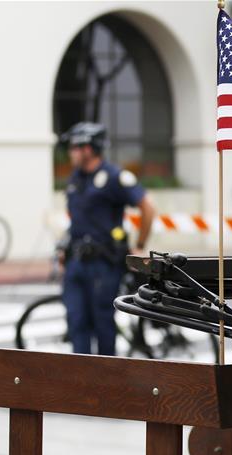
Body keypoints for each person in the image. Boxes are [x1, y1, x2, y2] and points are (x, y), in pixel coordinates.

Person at [61, 122, 156, 355]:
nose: (70, 152)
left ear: (88, 149)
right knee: (76, 321)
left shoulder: (114, 176)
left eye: (74, 146)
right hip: (76, 261)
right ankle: (80, 377)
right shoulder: (75, 178)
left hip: (103, 263)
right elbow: (77, 219)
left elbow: (147, 207)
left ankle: (105, 379)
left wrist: (140, 245)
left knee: (102, 322)